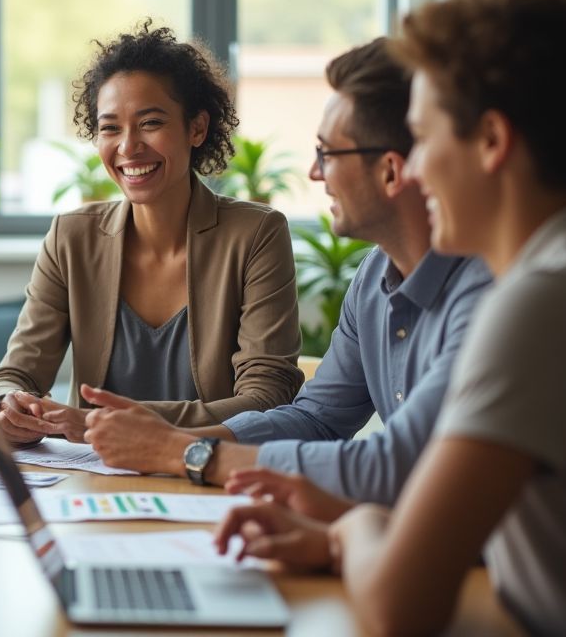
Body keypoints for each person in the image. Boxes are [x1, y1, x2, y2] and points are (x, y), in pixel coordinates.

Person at [215, 0, 566, 636]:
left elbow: (397, 606)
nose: (412, 170)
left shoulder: (541, 300)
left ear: (491, 142)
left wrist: (355, 525)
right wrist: (334, 540)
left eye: (425, 137)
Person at [80, 38, 491, 509]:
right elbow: (318, 418)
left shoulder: (489, 293)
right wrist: (170, 440)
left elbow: (397, 465)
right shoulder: (374, 276)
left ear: (391, 172)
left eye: (328, 154)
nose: (315, 174)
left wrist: (185, 451)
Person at [0, 21, 303, 445]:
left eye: (150, 123)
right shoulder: (71, 237)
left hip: (210, 476)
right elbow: (16, 372)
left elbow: (266, 398)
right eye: (110, 128)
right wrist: (11, 405)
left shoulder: (256, 234)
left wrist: (102, 422)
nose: (128, 147)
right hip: (96, 482)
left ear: (197, 129)